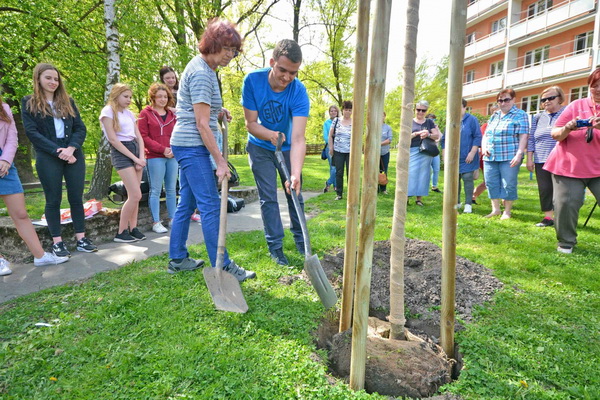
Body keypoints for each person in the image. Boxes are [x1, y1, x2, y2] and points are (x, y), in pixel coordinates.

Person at [168, 18, 255, 280]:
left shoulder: (201, 67)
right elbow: (202, 125)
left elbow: (195, 109)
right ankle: (223, 264)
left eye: (234, 50)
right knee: (210, 205)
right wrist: (220, 161)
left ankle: (177, 258)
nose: (231, 55)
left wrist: (218, 110)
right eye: (228, 49)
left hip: (184, 143)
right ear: (214, 44)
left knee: (187, 203)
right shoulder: (203, 74)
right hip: (193, 146)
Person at [242, 39, 310, 266]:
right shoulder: (253, 81)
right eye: (283, 70)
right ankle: (276, 247)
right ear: (272, 62)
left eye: (293, 72)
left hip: (288, 147)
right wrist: (270, 134)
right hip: (259, 146)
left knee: (295, 193)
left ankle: (303, 243)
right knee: (269, 198)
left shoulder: (298, 91)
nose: (287, 77)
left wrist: (296, 173)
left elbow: (299, 137)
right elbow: (251, 123)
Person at [21, 63, 97, 257]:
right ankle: (58, 242)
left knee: (76, 198)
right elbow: (32, 132)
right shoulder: (29, 102)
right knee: (53, 199)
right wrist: (57, 151)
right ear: (38, 79)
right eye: (48, 78)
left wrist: (71, 148)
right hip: (48, 156)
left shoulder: (67, 102)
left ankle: (81, 238)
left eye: (56, 79)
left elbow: (80, 128)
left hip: (73, 155)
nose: (53, 82)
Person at [1, 95, 69, 275]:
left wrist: (7, 159)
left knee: (21, 213)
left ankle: (40, 256)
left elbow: (12, 136)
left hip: (5, 163)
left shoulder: (4, 107)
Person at [545, 67, 600, 254]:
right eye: (595, 85)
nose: (598, 89)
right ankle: (566, 242)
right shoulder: (576, 105)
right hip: (568, 165)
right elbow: (555, 134)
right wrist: (568, 127)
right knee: (566, 203)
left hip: (598, 167)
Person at [100, 83, 147, 243]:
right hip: (121, 151)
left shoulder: (129, 113)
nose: (129, 100)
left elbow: (139, 136)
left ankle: (133, 228)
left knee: (135, 196)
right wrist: (134, 159)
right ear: (116, 95)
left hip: (135, 149)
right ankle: (121, 232)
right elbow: (113, 139)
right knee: (135, 194)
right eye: (125, 96)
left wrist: (141, 157)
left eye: (130, 97)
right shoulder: (107, 112)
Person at [482, 88, 529, 219]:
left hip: (510, 156)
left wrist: (519, 154)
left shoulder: (520, 114)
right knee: (491, 182)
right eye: (500, 100)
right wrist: (484, 147)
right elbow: (486, 134)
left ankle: (507, 211)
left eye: (506, 100)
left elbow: (523, 136)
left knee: (508, 183)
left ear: (513, 100)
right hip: (491, 156)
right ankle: (495, 209)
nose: (503, 103)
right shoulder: (494, 115)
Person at [138, 83, 178, 234]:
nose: (162, 99)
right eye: (159, 96)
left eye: (165, 96)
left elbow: (177, 134)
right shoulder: (145, 113)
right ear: (153, 97)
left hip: (172, 156)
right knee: (155, 190)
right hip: (155, 157)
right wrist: (162, 149)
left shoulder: (172, 114)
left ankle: (173, 219)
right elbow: (143, 137)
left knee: (171, 189)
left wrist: (173, 149)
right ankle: (156, 222)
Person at [526, 86, 566, 227]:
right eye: (543, 99)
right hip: (541, 159)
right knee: (545, 189)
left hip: (562, 159)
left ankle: (562, 218)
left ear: (560, 98)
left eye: (551, 98)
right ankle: (548, 218)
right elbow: (531, 139)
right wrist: (529, 158)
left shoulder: (566, 113)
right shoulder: (538, 117)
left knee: (561, 190)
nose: (547, 101)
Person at [408, 100, 441, 206]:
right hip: (412, 150)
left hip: (426, 151)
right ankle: (407, 196)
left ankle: (419, 199)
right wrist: (417, 133)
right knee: (411, 174)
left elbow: (436, 136)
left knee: (423, 174)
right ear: (415, 110)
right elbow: (404, 137)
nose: (421, 112)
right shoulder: (409, 121)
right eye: (418, 110)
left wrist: (428, 134)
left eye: (423, 110)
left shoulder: (429, 122)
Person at [455, 99, 482, 213]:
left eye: (460, 106)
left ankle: (468, 204)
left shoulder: (472, 120)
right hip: (455, 157)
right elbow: (445, 139)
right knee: (455, 181)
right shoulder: (451, 120)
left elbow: (477, 136)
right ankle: (456, 203)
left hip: (468, 155)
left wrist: (472, 152)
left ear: (464, 107)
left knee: (467, 178)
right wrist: (445, 155)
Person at [328, 100, 352, 200]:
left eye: (350, 110)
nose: (348, 112)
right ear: (342, 110)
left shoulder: (355, 121)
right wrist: (331, 148)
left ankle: (351, 193)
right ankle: (339, 193)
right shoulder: (336, 120)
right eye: (346, 109)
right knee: (339, 172)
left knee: (350, 172)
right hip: (338, 150)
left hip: (350, 151)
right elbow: (330, 135)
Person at [322, 105, 339, 193]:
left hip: (339, 147)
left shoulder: (340, 122)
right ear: (329, 113)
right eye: (331, 111)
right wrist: (331, 144)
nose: (333, 112)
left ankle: (331, 184)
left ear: (337, 112)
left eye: (335, 111)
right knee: (333, 167)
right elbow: (325, 136)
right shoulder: (326, 123)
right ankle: (332, 184)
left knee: (336, 168)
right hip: (329, 147)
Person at [426, 113, 442, 193]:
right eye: (431, 119)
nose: (432, 121)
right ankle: (425, 185)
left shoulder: (435, 128)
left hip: (435, 151)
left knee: (436, 169)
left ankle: (434, 186)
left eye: (434, 119)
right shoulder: (426, 128)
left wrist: (437, 129)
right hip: (427, 151)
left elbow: (441, 137)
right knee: (428, 169)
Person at [379, 111, 393, 194]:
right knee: (374, 170)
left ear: (384, 117)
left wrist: (379, 144)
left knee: (384, 170)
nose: (381, 117)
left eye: (382, 116)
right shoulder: (373, 126)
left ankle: (383, 188)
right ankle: (375, 187)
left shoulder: (388, 127)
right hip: (374, 153)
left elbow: (389, 140)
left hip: (384, 152)